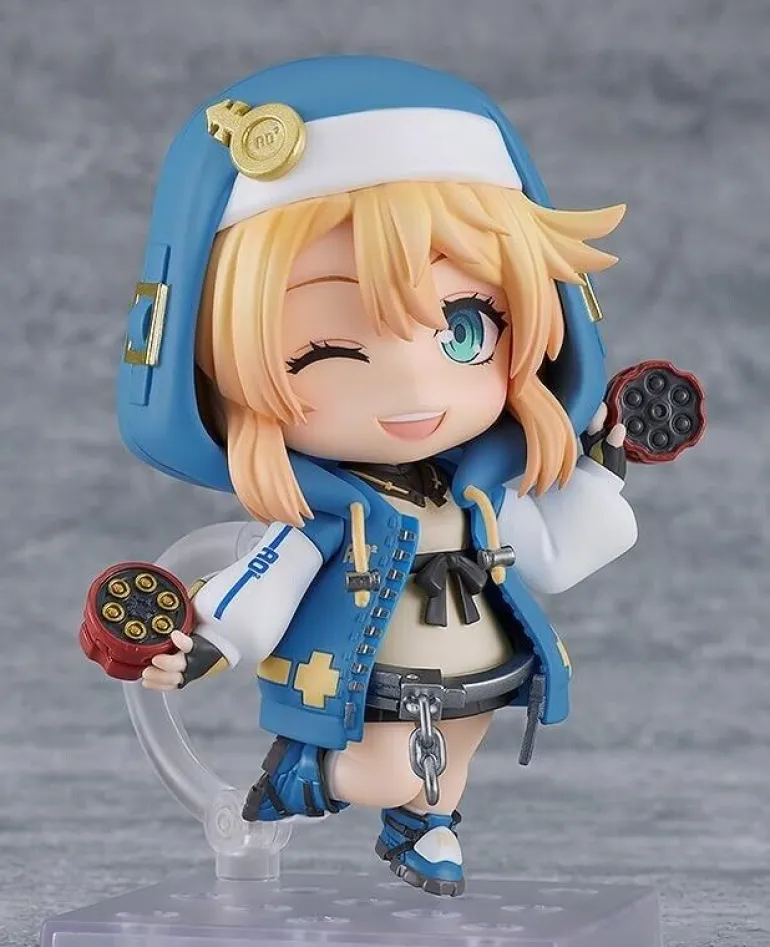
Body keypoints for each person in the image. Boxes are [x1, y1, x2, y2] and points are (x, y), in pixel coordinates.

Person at [118, 56, 637, 896]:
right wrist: (209, 640)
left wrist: (602, 472)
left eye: (465, 330)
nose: (414, 386)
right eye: (328, 349)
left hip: (482, 658)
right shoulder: (333, 510)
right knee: (393, 765)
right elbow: (268, 573)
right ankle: (309, 773)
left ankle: (425, 825)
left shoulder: (479, 484)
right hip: (372, 669)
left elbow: (549, 551)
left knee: (454, 756)